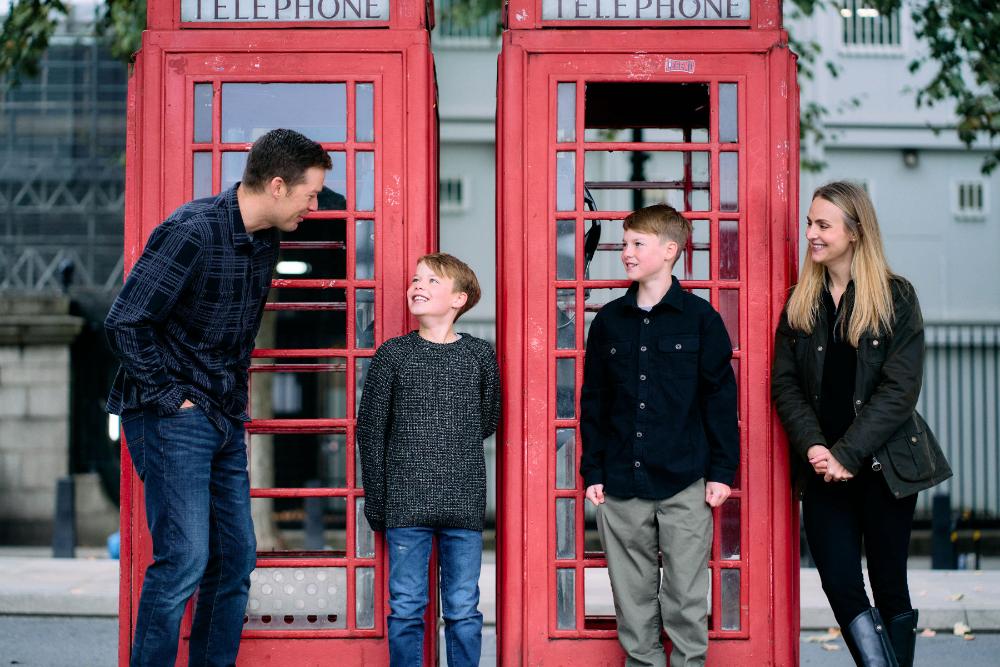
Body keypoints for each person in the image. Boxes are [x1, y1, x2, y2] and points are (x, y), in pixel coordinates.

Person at [105, 129, 332, 667]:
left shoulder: (266, 239)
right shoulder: (192, 231)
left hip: (224, 414)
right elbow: (126, 321)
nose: (316, 205)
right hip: (172, 416)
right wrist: (170, 396)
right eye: (310, 194)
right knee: (185, 559)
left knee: (234, 561)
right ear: (277, 187)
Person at [771, 181, 952, 667]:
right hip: (823, 468)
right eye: (810, 222)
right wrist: (814, 447)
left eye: (823, 225)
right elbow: (784, 385)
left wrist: (847, 455)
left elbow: (899, 390)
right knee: (839, 582)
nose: (811, 233)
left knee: (890, 582)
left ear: (854, 232)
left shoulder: (896, 297)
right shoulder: (801, 302)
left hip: (883, 468)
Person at [580, 204, 739, 667]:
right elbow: (595, 403)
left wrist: (722, 471)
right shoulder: (608, 321)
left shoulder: (702, 319)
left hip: (685, 479)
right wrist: (593, 470)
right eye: (624, 243)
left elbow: (719, 400)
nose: (625, 252)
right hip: (621, 481)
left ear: (669, 251)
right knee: (632, 604)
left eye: (636, 243)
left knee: (687, 598)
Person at [357, 252, 501, 667]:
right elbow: (370, 430)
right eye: (415, 280)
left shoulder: (479, 355)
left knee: (463, 609)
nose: (417, 286)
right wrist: (378, 500)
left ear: (459, 299)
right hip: (405, 504)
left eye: (432, 281)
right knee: (405, 607)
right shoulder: (394, 354)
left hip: (463, 502)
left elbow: (487, 419)